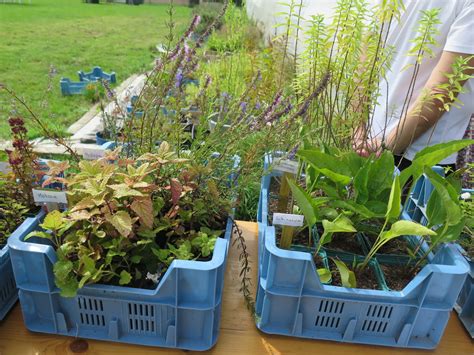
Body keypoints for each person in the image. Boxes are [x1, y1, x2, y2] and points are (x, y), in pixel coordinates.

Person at [353, 0, 474, 171]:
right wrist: (384, 148)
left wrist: (358, 132)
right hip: (419, 158)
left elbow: (363, 66)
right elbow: (438, 96)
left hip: (365, 146)